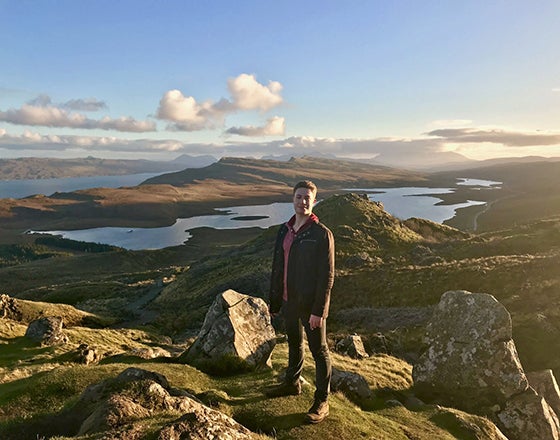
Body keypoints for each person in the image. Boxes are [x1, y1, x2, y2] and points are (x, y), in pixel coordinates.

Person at [266, 180, 335, 424]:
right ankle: (291, 384)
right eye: (298, 197)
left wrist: (319, 311)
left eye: (307, 197)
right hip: (288, 302)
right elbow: (278, 268)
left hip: (310, 306)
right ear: (292, 199)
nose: (302, 201)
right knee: (295, 344)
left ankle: (321, 401)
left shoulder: (321, 234)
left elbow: (327, 276)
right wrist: (274, 303)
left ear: (314, 201)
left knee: (320, 351)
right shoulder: (284, 230)